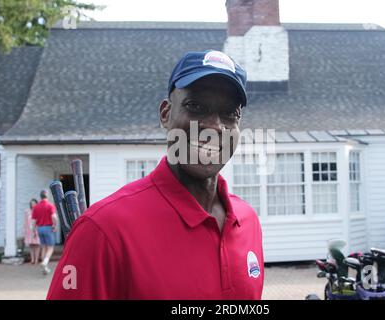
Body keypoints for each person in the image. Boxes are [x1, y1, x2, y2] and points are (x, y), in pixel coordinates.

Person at [47, 50, 264, 299]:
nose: (214, 126)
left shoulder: (247, 222)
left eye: (230, 113)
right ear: (165, 114)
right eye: (195, 106)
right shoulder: (103, 230)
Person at [32, 189, 58, 275]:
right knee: (50, 247)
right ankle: (45, 261)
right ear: (47, 195)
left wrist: (33, 231)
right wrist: (55, 225)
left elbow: (33, 221)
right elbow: (54, 217)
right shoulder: (50, 205)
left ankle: (45, 268)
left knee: (43, 247)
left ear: (40, 196)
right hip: (48, 228)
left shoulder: (36, 207)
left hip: (39, 228)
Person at [24, 198, 40, 265]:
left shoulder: (39, 211)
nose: (33, 204)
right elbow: (25, 222)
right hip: (29, 230)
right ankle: (32, 259)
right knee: (31, 245)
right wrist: (25, 229)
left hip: (36, 229)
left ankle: (36, 260)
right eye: (31, 203)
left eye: (34, 203)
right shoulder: (27, 211)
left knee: (37, 245)